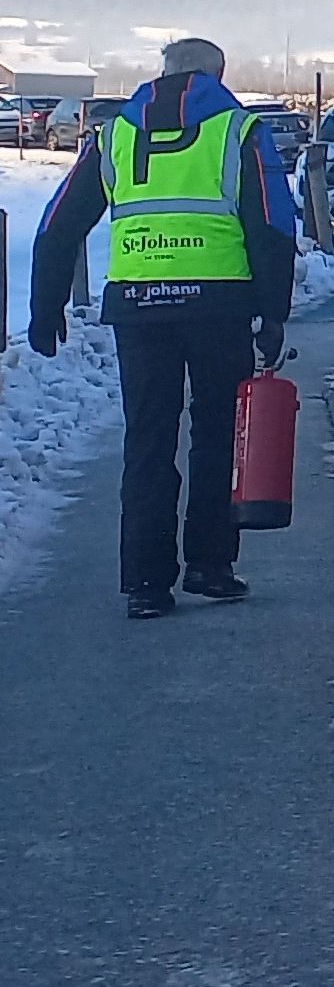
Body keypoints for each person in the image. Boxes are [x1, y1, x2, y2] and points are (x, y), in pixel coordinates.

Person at [29, 37, 298, 620]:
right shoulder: (240, 132)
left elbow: (58, 223)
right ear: (218, 75)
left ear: (163, 73)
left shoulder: (114, 135)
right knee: (216, 437)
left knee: (147, 441)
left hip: (138, 306)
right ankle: (209, 565)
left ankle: (146, 584)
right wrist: (273, 311)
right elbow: (274, 224)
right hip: (220, 307)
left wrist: (45, 306)